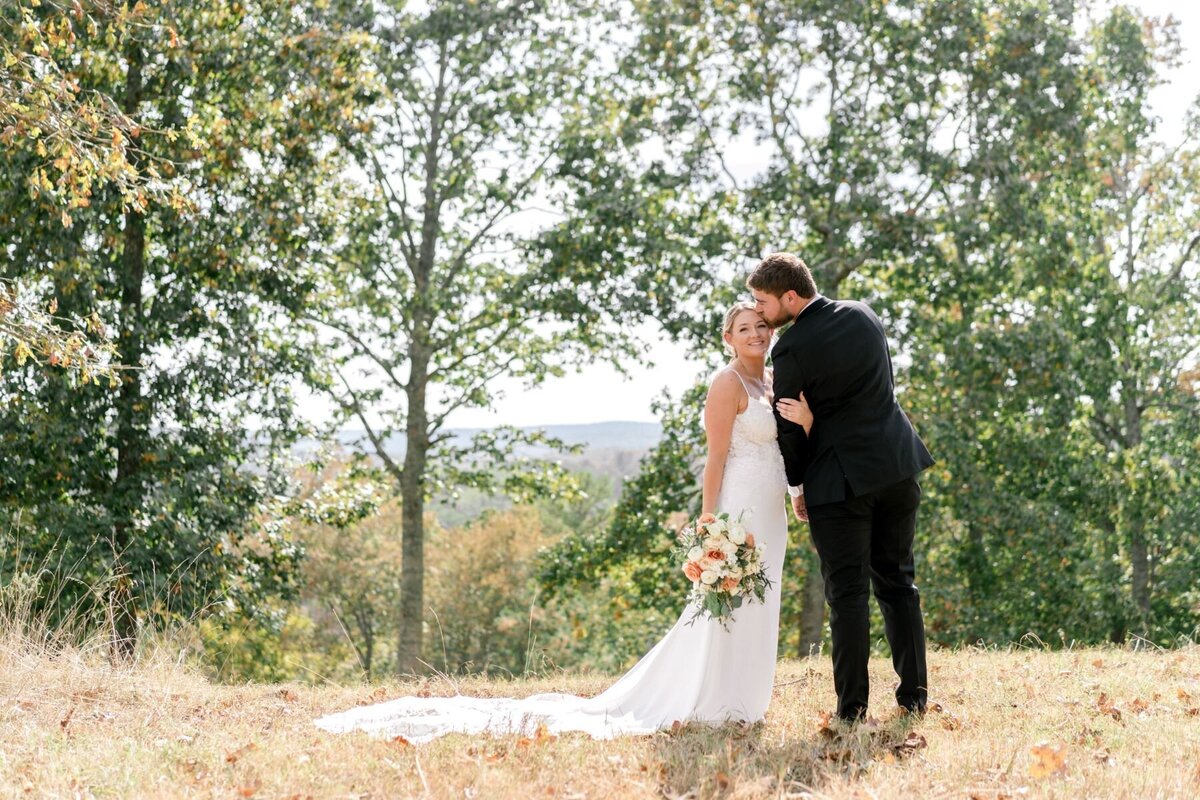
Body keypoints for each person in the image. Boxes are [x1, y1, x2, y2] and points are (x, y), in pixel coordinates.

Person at [313, 303, 810, 742]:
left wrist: (798, 470)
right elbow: (715, 456)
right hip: (738, 506)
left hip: (771, 508)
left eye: (762, 326)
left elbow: (785, 444)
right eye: (745, 328)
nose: (756, 335)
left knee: (763, 599)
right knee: (727, 599)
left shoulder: (771, 380)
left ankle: (746, 701)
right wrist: (708, 519)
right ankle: (715, 699)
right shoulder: (725, 384)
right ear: (728, 338)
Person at [748, 252, 934, 723]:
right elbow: (876, 394)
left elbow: (789, 426)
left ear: (790, 296)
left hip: (839, 483)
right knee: (899, 584)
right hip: (897, 466)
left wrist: (796, 487)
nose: (762, 312)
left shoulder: (791, 349)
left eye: (763, 303)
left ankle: (852, 710)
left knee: (848, 596)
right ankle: (914, 697)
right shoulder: (864, 314)